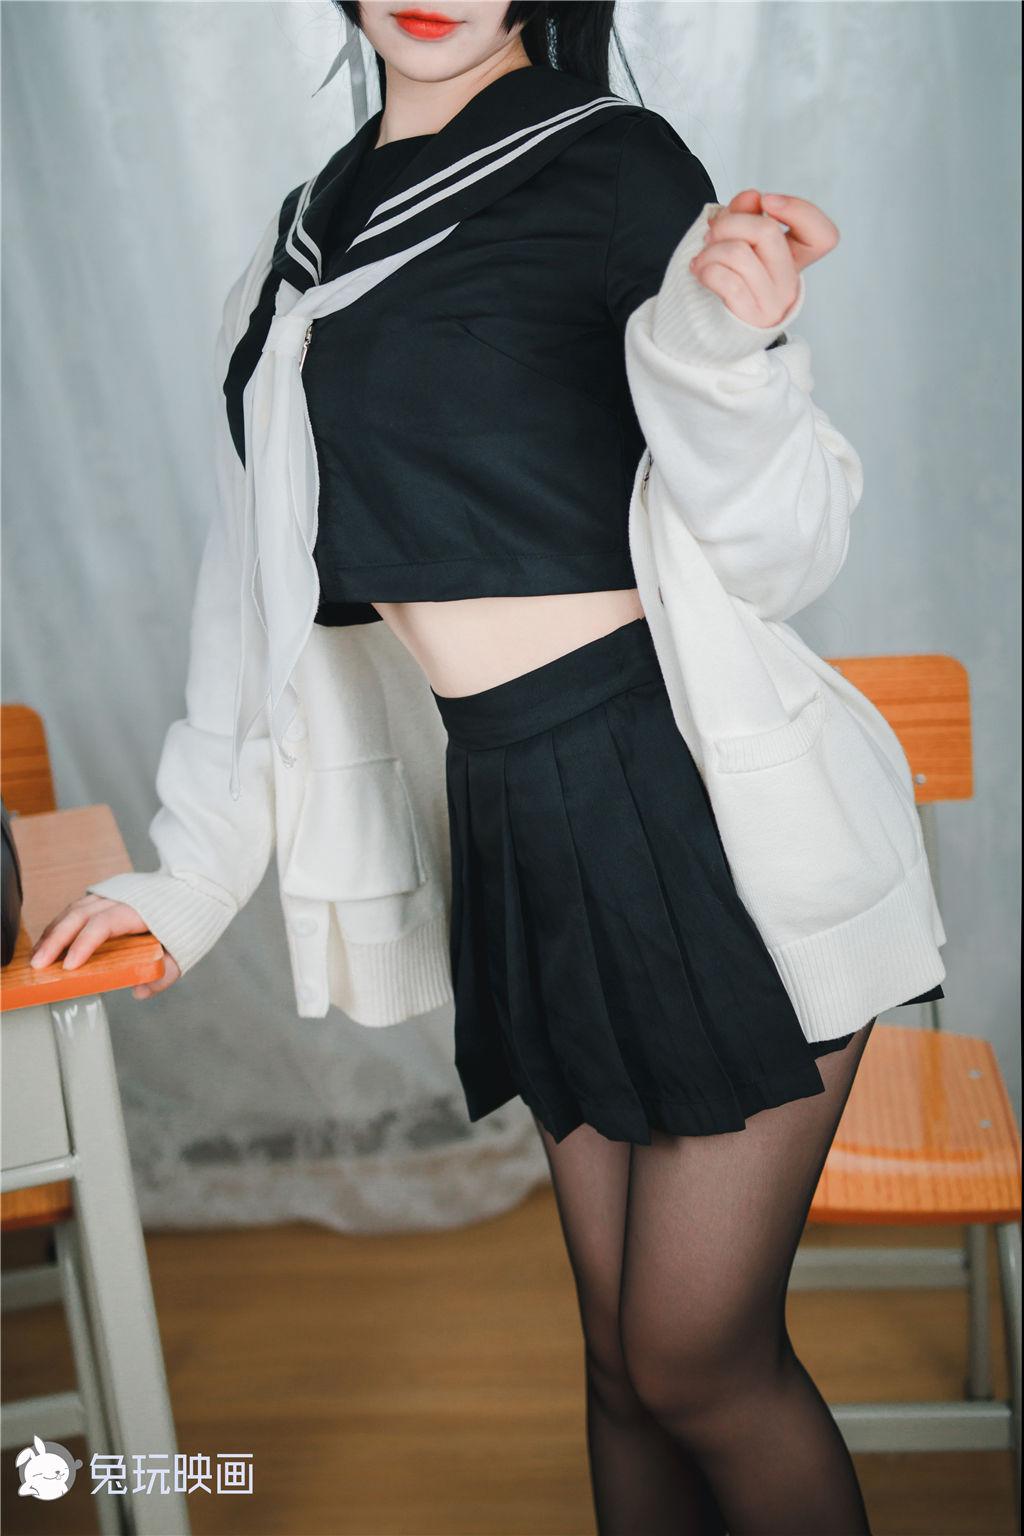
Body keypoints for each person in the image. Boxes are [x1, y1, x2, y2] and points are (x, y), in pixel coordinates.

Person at [30, 3, 948, 1531]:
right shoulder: (302, 245)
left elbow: (785, 551)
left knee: (696, 1362)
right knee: (619, 1365)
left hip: (695, 804)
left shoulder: (617, 168)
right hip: (517, 817)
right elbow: (250, 600)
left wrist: (730, 357)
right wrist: (179, 879)